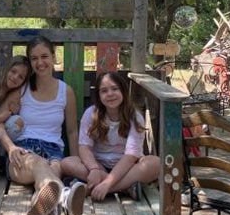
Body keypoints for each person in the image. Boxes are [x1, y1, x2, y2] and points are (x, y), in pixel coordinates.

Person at [0, 35, 86, 215]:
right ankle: (65, 197)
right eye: (34, 58)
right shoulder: (22, 90)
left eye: (44, 56)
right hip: (22, 153)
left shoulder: (66, 91)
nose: (40, 62)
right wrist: (11, 148)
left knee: (52, 172)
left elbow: (71, 131)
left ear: (54, 57)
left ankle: (42, 202)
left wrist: (76, 159)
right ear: (30, 63)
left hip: (54, 152)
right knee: (39, 165)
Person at [61, 71, 159, 200]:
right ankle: (127, 188)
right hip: (99, 164)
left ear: (123, 91)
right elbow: (85, 147)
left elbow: (131, 155)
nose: (110, 94)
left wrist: (107, 184)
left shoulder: (134, 117)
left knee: (156, 163)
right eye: (104, 91)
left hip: (128, 168)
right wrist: (94, 169)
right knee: (67, 163)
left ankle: (94, 189)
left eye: (114, 88)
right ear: (99, 96)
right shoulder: (91, 114)